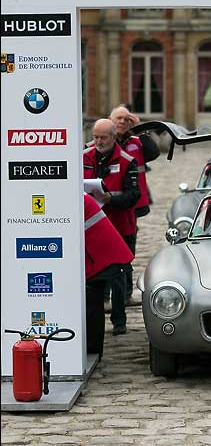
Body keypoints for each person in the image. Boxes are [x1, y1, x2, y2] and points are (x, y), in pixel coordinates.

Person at [83, 119, 140, 335]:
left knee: (117, 276)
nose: (98, 141)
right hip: (90, 228)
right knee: (90, 277)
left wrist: (109, 198)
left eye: (103, 137)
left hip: (117, 227)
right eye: (95, 137)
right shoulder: (83, 157)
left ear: (113, 137)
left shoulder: (127, 161)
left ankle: (119, 321)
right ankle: (90, 319)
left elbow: (133, 195)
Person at [109, 105, 160, 300]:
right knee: (105, 248)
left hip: (132, 204)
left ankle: (126, 294)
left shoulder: (137, 142)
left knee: (127, 248)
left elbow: (154, 153)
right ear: (110, 121)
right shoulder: (103, 141)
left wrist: (140, 128)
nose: (122, 122)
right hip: (108, 205)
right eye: (118, 118)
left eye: (126, 119)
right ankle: (105, 295)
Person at [84, 193, 134, 358]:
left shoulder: (77, 198)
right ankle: (92, 348)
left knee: (94, 301)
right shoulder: (80, 195)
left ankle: (93, 349)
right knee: (94, 301)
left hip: (101, 255)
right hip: (98, 253)